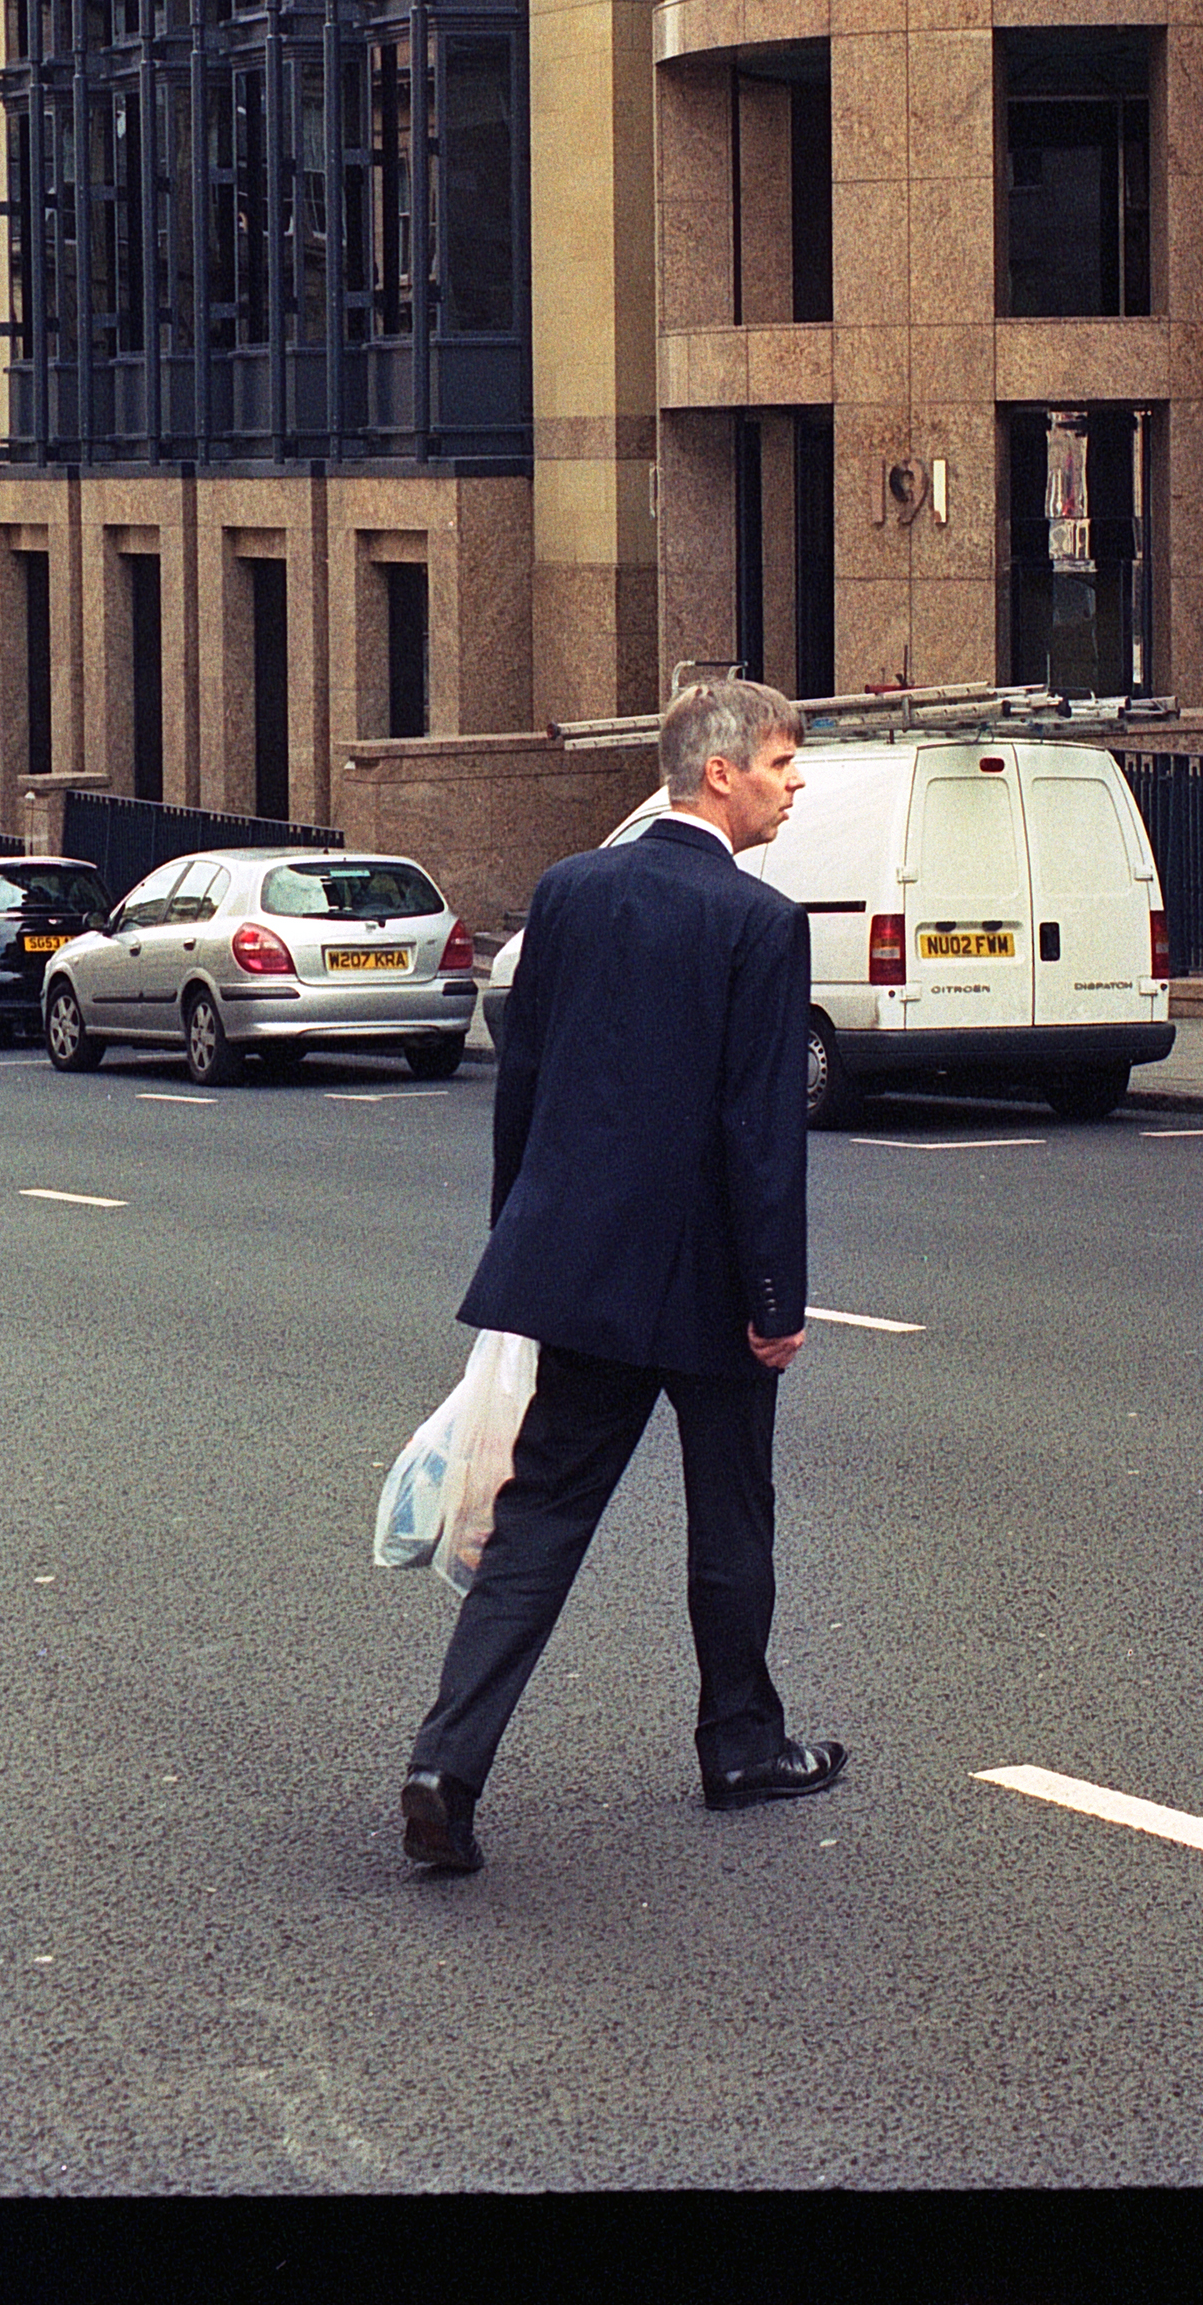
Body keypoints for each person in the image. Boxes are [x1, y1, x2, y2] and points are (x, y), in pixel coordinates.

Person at [400, 676, 845, 1874]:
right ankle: (741, 1747)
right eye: (780, 765)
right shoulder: (758, 924)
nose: (793, 785)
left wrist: (521, 1256)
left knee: (538, 1520)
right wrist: (774, 1306)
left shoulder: (568, 893)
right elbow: (761, 1135)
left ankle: (446, 1762)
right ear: (718, 774)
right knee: (731, 1514)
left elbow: (525, 1096)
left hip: (578, 1273)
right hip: (705, 1287)